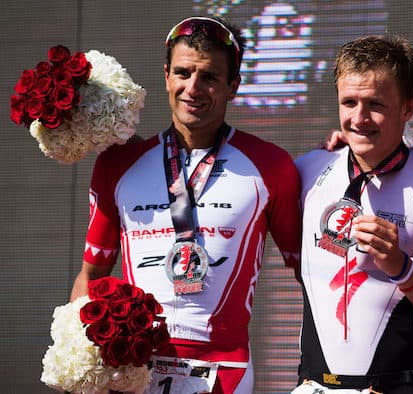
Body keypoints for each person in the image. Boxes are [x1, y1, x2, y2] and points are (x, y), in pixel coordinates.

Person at [69, 16, 302, 393]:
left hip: (224, 372)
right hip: (132, 368)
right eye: (183, 73)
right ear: (166, 76)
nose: (193, 88)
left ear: (233, 86)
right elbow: (91, 276)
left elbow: (310, 270)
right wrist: (76, 359)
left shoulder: (271, 165)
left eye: (209, 77)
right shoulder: (118, 163)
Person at [293, 35, 413, 394]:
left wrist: (402, 267)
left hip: (401, 386)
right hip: (313, 385)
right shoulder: (306, 171)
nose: (359, 118)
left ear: (408, 108)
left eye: (375, 104)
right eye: (349, 102)